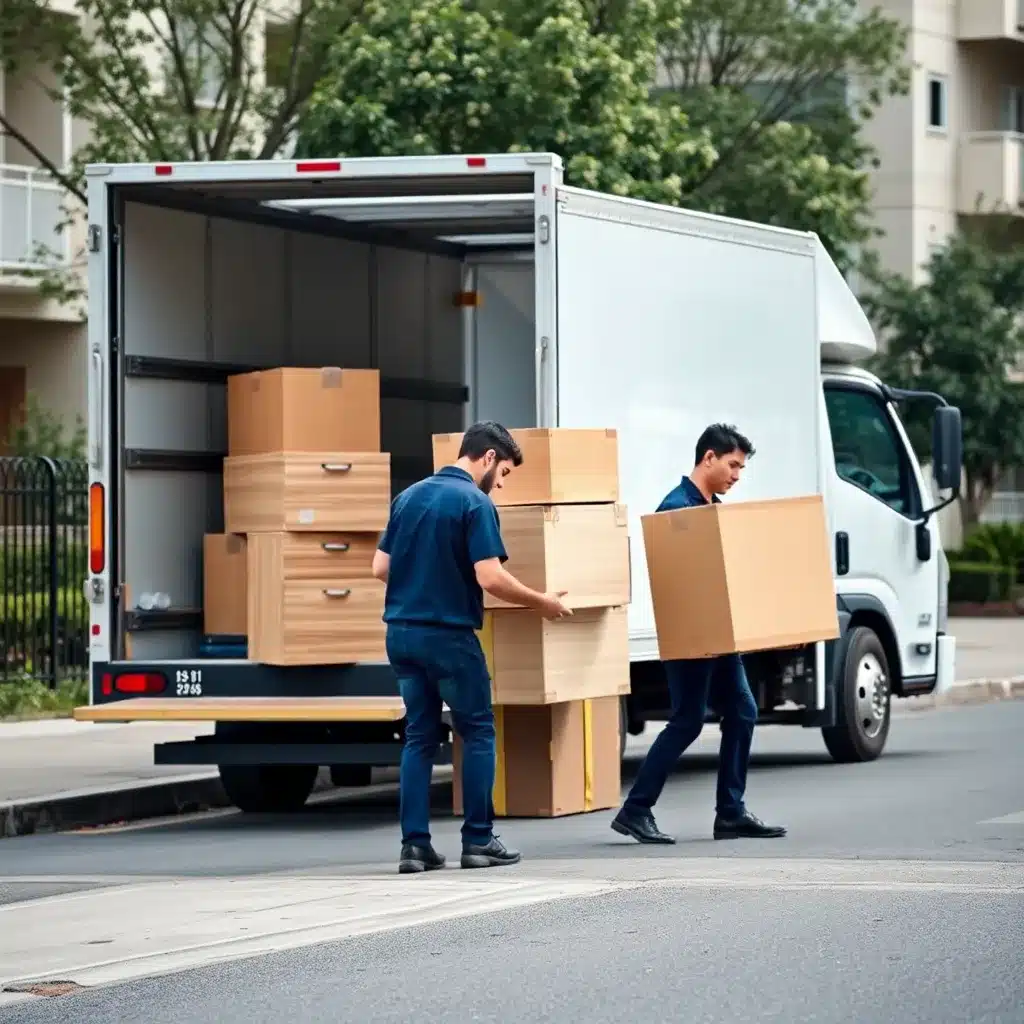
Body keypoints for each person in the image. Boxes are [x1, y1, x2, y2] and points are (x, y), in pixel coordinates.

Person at [372, 420, 573, 874]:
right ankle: (479, 841)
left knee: (420, 737)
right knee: (478, 731)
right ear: (488, 458)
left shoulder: (408, 497)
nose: (500, 484)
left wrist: (420, 584)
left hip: (401, 634)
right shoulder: (473, 502)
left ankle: (414, 847)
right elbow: (490, 577)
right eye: (504, 474)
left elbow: (379, 568)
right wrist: (541, 601)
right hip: (449, 638)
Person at [611, 423, 787, 844]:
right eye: (733, 465)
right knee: (688, 720)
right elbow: (674, 578)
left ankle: (731, 813)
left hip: (719, 636)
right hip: (692, 636)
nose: (737, 475)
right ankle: (635, 810)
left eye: (741, 468)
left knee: (742, 711)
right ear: (709, 458)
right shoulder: (677, 509)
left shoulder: (713, 510)